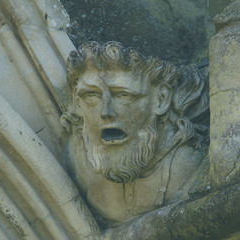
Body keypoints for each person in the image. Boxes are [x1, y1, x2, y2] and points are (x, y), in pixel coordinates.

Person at [61, 41, 209, 224]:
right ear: (76, 103)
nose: (106, 112)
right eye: (91, 96)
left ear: (161, 100)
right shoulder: (78, 161)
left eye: (123, 95)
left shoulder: (187, 166)